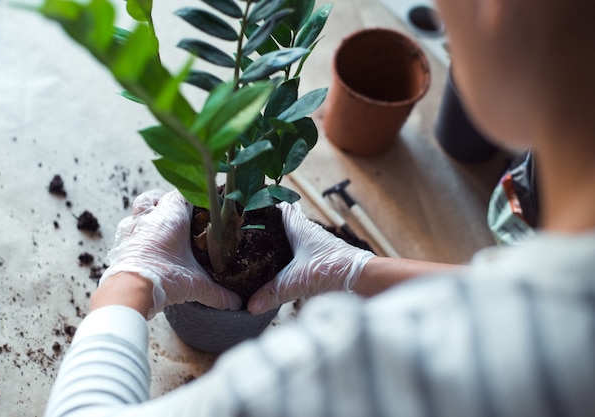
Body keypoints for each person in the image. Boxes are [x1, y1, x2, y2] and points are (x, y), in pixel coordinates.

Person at [44, 0, 595, 415]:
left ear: (498, 10)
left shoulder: (353, 366)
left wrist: (128, 282)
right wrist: (359, 268)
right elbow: (494, 301)